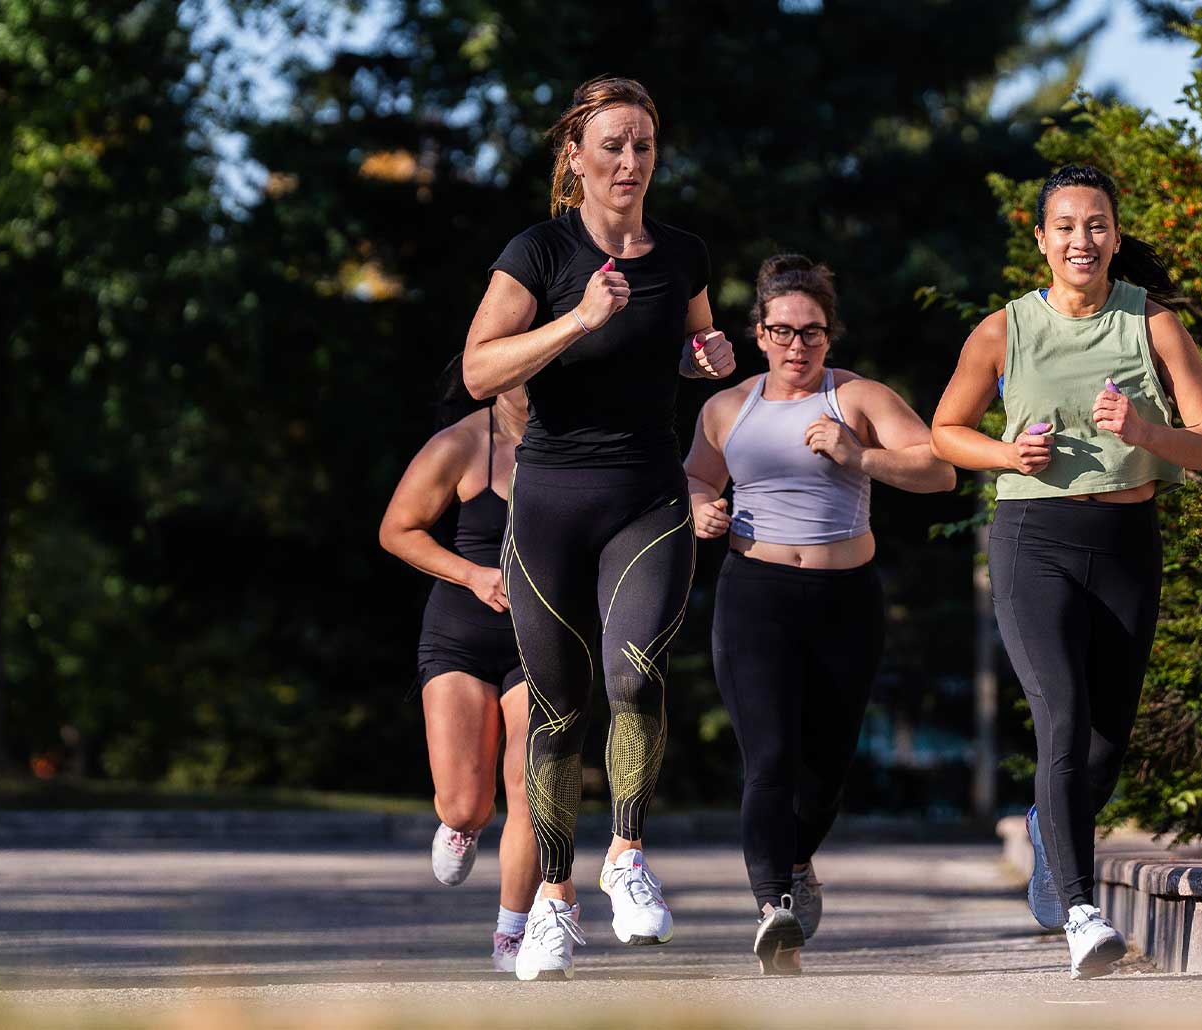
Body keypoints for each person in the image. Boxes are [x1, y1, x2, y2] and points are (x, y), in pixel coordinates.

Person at [928, 164, 1202, 980]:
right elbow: (944, 431)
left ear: (1116, 235)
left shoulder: (1154, 324)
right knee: (1062, 718)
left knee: (1104, 745)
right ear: (1041, 240)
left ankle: (1048, 829)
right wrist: (1006, 454)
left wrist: (1146, 431)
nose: (1082, 240)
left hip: (1129, 541)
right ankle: (1080, 913)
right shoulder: (1003, 330)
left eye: (1096, 224)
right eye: (1065, 226)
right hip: (1035, 538)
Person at [460, 75, 737, 981]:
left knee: (637, 671)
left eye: (643, 146)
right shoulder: (538, 251)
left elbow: (692, 344)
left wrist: (708, 356)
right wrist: (577, 318)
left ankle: (626, 855)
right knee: (558, 708)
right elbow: (478, 370)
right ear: (574, 156)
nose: (629, 162)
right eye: (612, 145)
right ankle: (552, 899)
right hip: (548, 501)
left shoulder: (685, 253)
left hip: (647, 498)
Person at [683, 255, 955, 974]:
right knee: (769, 757)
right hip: (755, 597)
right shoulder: (726, 408)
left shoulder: (858, 398)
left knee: (827, 768)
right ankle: (773, 907)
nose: (796, 345)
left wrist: (859, 457)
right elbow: (696, 477)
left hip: (845, 599)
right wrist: (700, 509)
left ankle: (797, 861)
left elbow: (938, 469)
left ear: (829, 335)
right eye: (782, 331)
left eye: (811, 332)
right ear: (759, 333)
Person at [376, 362, 540, 973]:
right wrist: (473, 575)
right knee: (466, 804)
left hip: (542, 640)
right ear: (496, 374)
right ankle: (461, 824)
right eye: (526, 370)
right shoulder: (463, 444)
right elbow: (398, 530)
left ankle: (512, 933)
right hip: (461, 637)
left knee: (532, 787)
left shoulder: (580, 445)